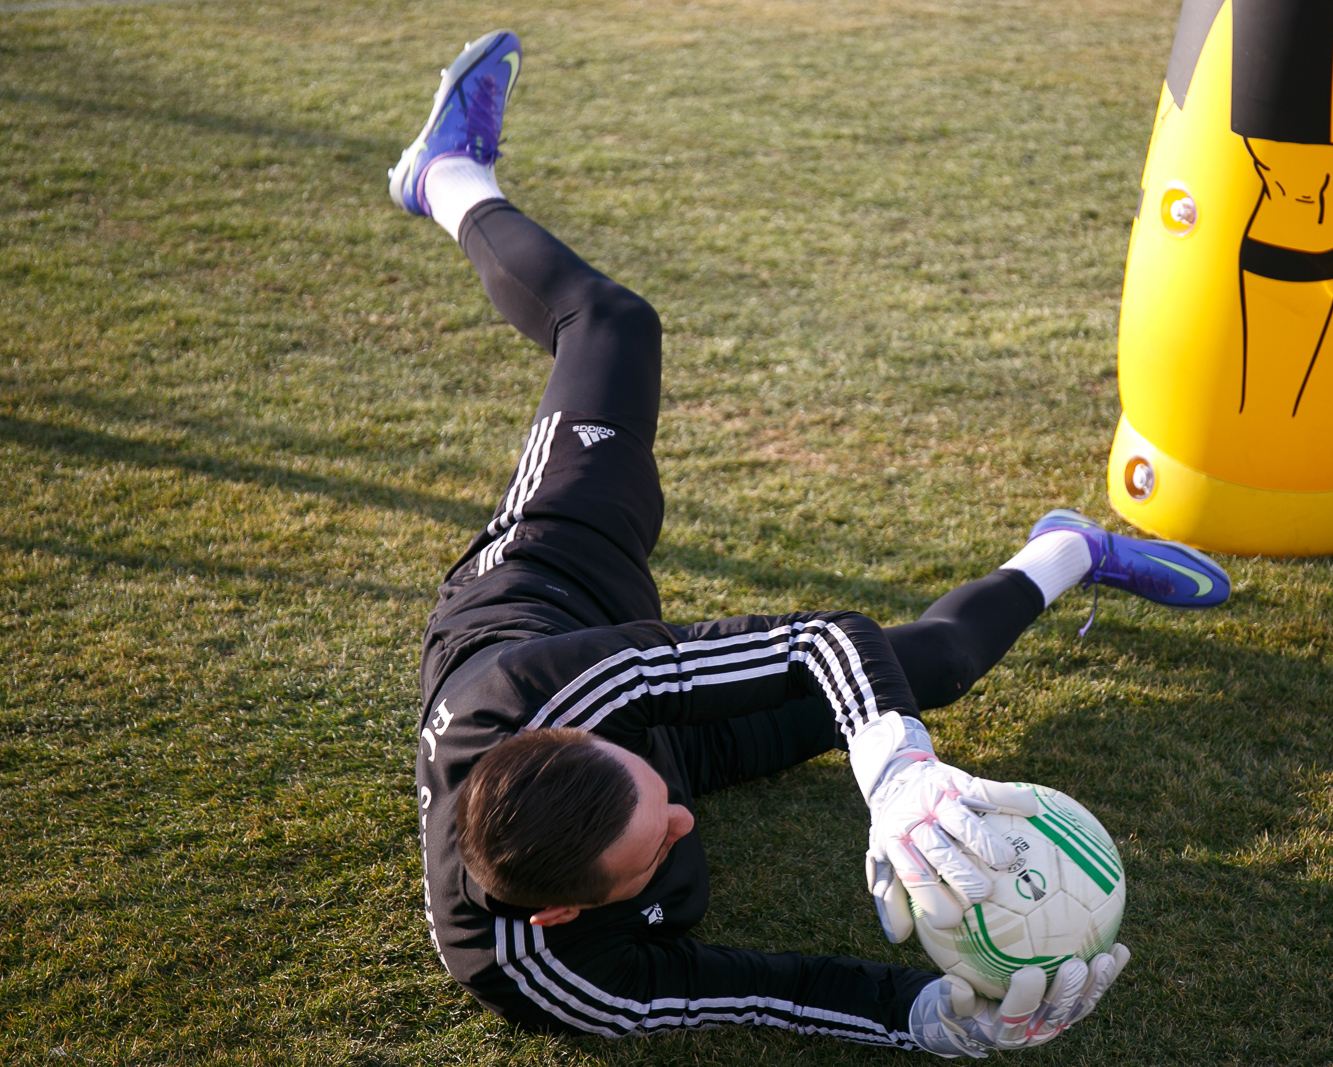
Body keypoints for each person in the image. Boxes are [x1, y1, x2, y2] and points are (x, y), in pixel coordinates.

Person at [393, 31, 1230, 1057]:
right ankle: (1069, 550)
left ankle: (444, 173)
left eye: (658, 804)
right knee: (935, 665)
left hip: (549, 585)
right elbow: (759, 992)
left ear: (578, 736)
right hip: (638, 725)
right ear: (565, 912)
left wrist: (898, 772)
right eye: (657, 839)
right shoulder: (546, 976)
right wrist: (931, 1017)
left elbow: (820, 641)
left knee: (613, 323)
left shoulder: (548, 697)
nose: (685, 821)